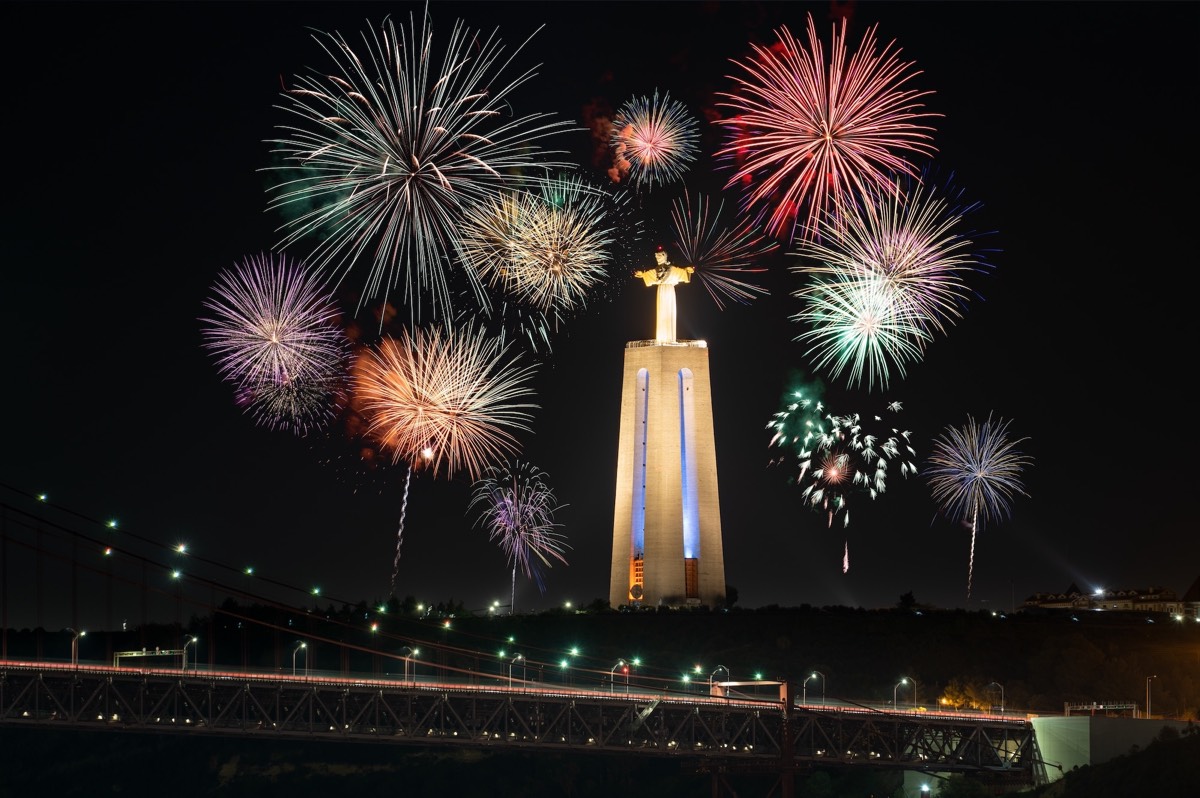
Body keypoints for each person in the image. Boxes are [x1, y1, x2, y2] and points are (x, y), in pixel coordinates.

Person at [634, 247, 694, 343]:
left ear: (665, 256)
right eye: (656, 257)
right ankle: (662, 339)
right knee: (661, 313)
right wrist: (642, 274)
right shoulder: (657, 270)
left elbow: (683, 272)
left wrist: (688, 270)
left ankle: (670, 339)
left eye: (660, 256)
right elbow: (649, 274)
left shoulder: (672, 269)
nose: (658, 258)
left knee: (669, 313)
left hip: (669, 290)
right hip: (661, 291)